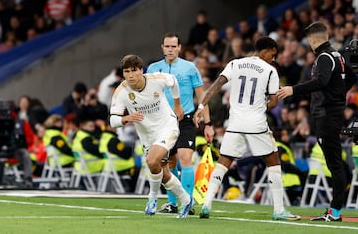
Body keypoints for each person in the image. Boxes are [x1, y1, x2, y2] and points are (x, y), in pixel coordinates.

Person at [194, 36, 301, 221]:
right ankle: (279, 210)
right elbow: (274, 102)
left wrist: (202, 107)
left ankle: (206, 204)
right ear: (265, 50)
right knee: (274, 161)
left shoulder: (235, 64)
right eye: (273, 54)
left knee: (223, 161)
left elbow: (215, 86)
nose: (273, 59)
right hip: (256, 123)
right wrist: (267, 103)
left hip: (234, 123)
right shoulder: (270, 71)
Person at [277, 21, 356, 222]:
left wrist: (293, 89)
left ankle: (335, 212)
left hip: (326, 115)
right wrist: (338, 95)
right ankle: (334, 210)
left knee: (335, 164)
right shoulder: (337, 56)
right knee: (335, 163)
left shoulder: (323, 57)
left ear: (313, 40)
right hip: (332, 113)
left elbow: (320, 81)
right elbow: (352, 78)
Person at [110, 54, 193, 218]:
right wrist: (126, 118)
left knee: (152, 161)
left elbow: (174, 82)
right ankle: (186, 200)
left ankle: (152, 198)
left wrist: (177, 104)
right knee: (161, 172)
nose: (131, 75)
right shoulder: (121, 91)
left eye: (134, 70)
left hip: (167, 127)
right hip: (147, 135)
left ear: (141, 70)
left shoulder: (157, 79)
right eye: (127, 71)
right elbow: (113, 121)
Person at [146, 32, 214, 214]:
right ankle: (172, 203)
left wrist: (208, 122)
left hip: (186, 120)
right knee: (168, 163)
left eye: (173, 46)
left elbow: (202, 95)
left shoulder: (190, 68)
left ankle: (188, 202)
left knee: (185, 158)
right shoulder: (153, 68)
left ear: (179, 48)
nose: (170, 49)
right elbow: (146, 94)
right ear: (162, 47)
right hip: (162, 123)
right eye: (167, 46)